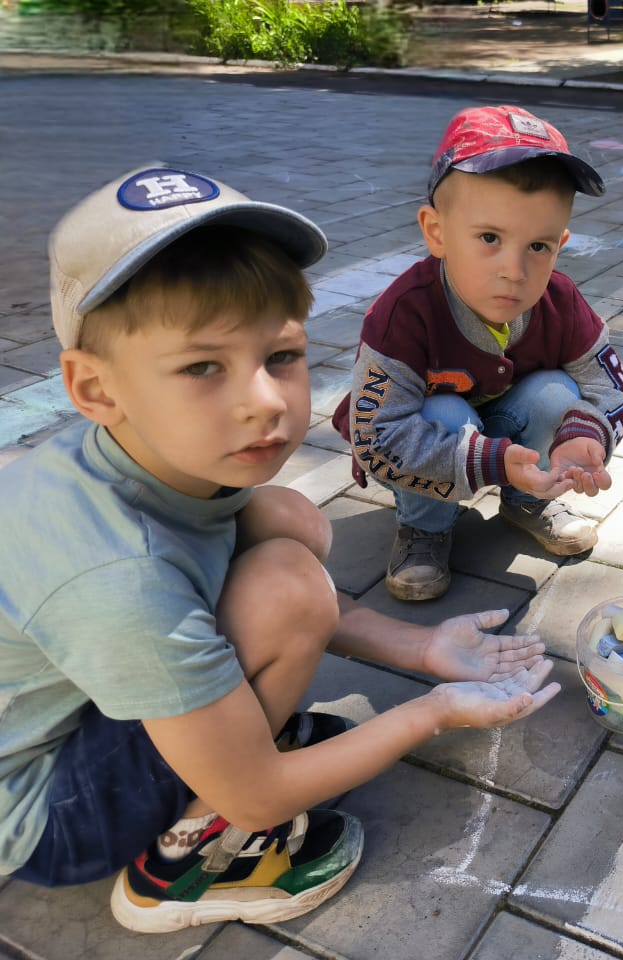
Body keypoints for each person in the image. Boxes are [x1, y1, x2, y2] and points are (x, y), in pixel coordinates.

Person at [0, 165, 561, 934]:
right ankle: (184, 865)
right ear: (95, 388)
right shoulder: (119, 576)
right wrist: (432, 712)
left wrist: (423, 647)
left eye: (281, 356)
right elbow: (260, 792)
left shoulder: (146, 455)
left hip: (79, 702)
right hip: (47, 814)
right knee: (286, 586)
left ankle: (219, 733)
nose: (265, 401)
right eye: (202, 366)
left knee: (286, 521)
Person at [331, 104, 623, 602]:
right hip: (435, 439)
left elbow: (612, 389)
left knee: (557, 394)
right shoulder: (403, 312)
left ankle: (528, 497)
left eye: (538, 246)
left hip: (504, 432)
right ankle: (425, 525)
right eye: (490, 238)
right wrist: (490, 460)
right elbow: (377, 436)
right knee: (444, 413)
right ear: (437, 232)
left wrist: (585, 435)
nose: (514, 270)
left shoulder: (560, 299)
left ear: (560, 244)